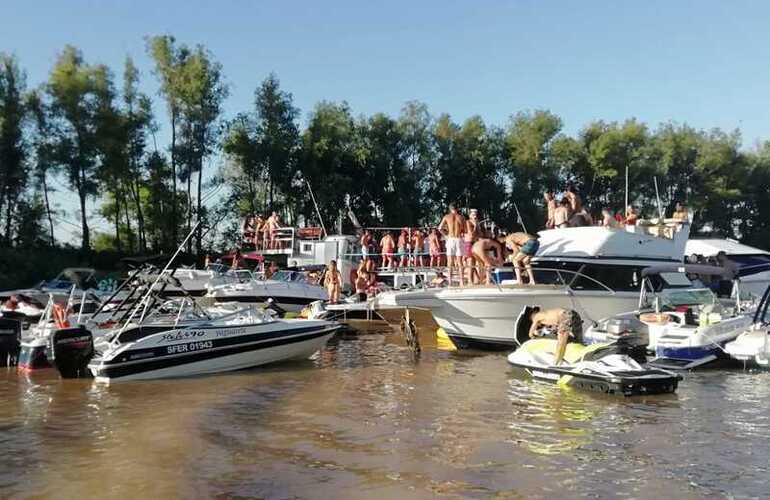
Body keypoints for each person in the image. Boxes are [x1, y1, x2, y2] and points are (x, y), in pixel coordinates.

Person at [438, 203, 467, 286]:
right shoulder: (461, 217)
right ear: (457, 208)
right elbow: (465, 231)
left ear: (450, 209)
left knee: (450, 261)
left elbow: (440, 228)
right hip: (458, 239)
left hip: (450, 239)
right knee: (459, 262)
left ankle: (450, 282)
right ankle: (461, 281)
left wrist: (446, 235)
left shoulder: (446, 217)